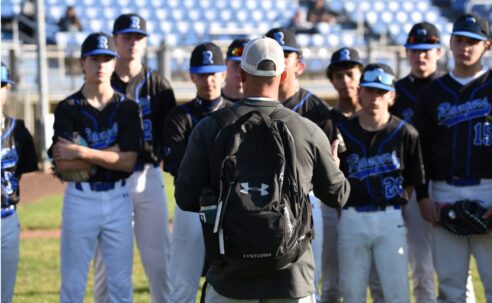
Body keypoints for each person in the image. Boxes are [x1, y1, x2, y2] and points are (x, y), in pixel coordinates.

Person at [175, 37, 350, 302]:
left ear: (242, 74)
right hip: (291, 277)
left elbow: (185, 197)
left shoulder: (209, 128)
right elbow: (338, 195)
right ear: (282, 76)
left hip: (229, 277)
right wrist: (334, 168)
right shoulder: (307, 130)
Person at [49, 32, 141, 303]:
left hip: (118, 197)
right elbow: (63, 163)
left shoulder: (127, 108)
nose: (100, 64)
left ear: (114, 63)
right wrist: (110, 154)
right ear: (81, 63)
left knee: (121, 285)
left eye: (106, 58)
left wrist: (82, 152)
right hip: (80, 198)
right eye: (94, 59)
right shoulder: (68, 108)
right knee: (73, 285)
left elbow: (128, 162)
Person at [92, 13, 177, 303]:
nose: (132, 42)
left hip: (148, 177)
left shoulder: (159, 85)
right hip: (111, 180)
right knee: (107, 260)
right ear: (115, 40)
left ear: (145, 43)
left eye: (138, 37)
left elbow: (171, 135)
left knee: (160, 261)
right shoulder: (101, 82)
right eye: (127, 37)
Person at [416, 14, 492, 302]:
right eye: (459, 39)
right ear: (450, 43)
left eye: (472, 41)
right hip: (444, 190)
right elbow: (419, 148)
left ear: (487, 45)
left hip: (489, 189)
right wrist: (423, 195)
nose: (465, 47)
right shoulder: (433, 92)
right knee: (449, 285)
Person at [337, 63, 426, 303]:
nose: (375, 97)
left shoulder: (406, 133)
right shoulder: (342, 132)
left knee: (396, 291)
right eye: (369, 90)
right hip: (352, 216)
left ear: (392, 95)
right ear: (360, 92)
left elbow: (413, 181)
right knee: (352, 291)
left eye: (381, 91)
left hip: (390, 216)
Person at [266, 26, 341, 298]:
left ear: (299, 64)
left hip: (305, 202)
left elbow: (329, 170)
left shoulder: (318, 110)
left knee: (306, 280)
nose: (280, 59)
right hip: (262, 201)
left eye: (286, 54)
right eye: (274, 53)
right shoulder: (256, 105)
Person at [164, 42, 230, 303]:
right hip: (190, 206)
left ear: (224, 74)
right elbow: (177, 168)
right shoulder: (179, 116)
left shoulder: (237, 112)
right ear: (192, 76)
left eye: (213, 72)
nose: (208, 80)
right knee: (182, 282)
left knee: (228, 281)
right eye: (202, 73)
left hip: (229, 205)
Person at [391, 22, 442, 303]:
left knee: (454, 266)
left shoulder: (448, 87)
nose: (421, 56)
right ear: (407, 53)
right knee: (421, 264)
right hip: (411, 186)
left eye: (427, 50)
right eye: (415, 50)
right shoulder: (395, 93)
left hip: (445, 181)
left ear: (438, 52)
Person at [1, 62, 38, 303]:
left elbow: (20, 173)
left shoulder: (20, 131)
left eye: (1, 85)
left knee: (5, 295)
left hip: (7, 219)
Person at [221, 38, 249, 102]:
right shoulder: (212, 102)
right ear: (226, 63)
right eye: (237, 64)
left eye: (247, 65)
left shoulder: (262, 104)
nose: (241, 72)